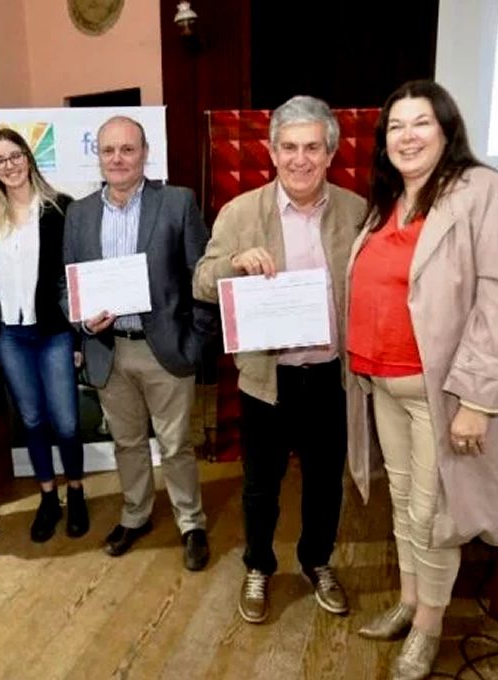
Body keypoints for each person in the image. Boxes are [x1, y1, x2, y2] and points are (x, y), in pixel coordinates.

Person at [344, 80, 498, 680]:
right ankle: (408, 602)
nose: (406, 137)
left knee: (436, 516)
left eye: (420, 123)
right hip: (383, 386)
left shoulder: (484, 192)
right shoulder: (387, 201)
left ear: (448, 130)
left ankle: (429, 628)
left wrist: (478, 400)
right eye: (395, 127)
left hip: (443, 394)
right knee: (404, 506)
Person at [192, 95, 366, 623]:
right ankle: (259, 565)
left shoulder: (357, 212)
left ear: (330, 152)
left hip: (332, 379)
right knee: (260, 485)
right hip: (267, 380)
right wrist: (234, 263)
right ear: (271, 151)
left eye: (312, 147)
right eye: (289, 147)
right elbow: (201, 280)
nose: (300, 159)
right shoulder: (240, 212)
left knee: (324, 482)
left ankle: (317, 561)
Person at [61, 115, 214, 571]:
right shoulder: (79, 213)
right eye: (109, 151)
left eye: (128, 149)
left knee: (176, 444)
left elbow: (200, 276)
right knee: (127, 443)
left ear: (145, 153)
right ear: (99, 157)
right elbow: (65, 285)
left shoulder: (177, 202)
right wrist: (83, 322)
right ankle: (136, 514)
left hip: (164, 348)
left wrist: (197, 340)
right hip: (108, 350)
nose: (118, 159)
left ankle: (191, 522)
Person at [0, 128, 88, 543]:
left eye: (15, 155)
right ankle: (47, 497)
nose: (9, 165)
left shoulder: (61, 209)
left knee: (67, 421)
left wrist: (78, 341)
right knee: (34, 420)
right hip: (11, 336)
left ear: (29, 157)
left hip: (55, 333)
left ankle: (76, 492)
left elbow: (71, 280)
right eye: (0, 160)